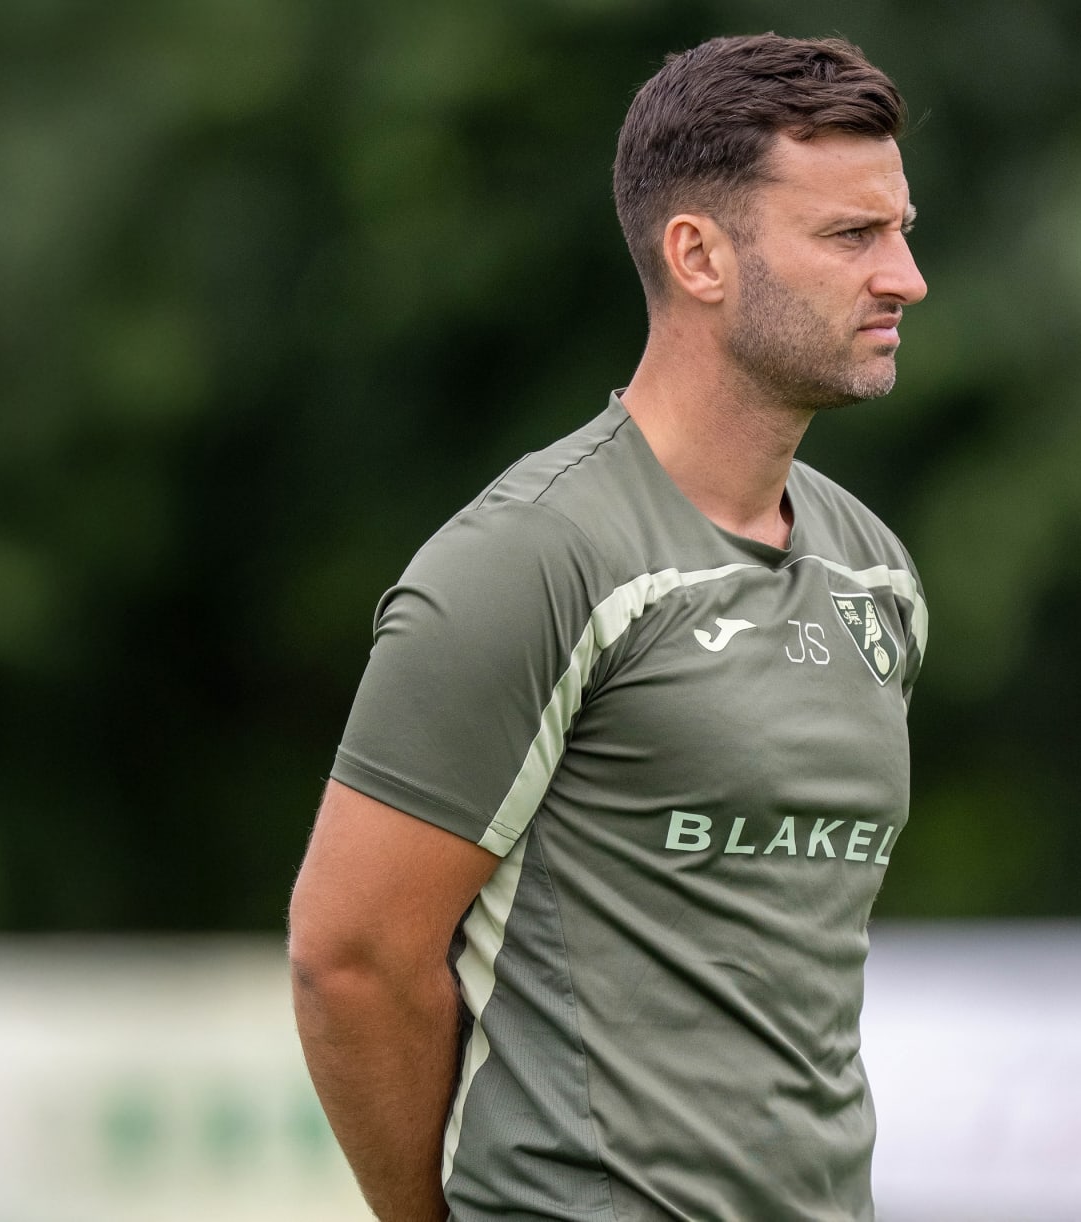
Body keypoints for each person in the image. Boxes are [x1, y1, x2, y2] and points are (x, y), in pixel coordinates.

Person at [288, 33, 929, 1222]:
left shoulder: (875, 571)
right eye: (851, 235)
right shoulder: (530, 557)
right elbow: (351, 958)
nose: (904, 277)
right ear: (698, 256)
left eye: (899, 229)